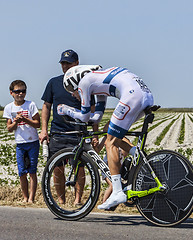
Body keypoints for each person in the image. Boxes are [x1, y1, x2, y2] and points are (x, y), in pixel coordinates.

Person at [57, 65, 153, 209]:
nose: (72, 95)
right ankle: (135, 153)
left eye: (71, 90)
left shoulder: (84, 83)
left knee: (110, 143)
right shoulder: (96, 82)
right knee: (109, 129)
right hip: (144, 95)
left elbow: (84, 117)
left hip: (132, 95)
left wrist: (67, 110)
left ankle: (117, 191)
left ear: (75, 82)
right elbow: (97, 117)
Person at [39, 50, 98, 206]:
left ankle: (78, 200)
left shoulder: (86, 83)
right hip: (58, 132)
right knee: (57, 168)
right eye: (63, 63)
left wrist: (94, 133)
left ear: (76, 63)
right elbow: (46, 106)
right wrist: (44, 130)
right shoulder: (53, 82)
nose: (65, 66)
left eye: (69, 63)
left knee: (79, 168)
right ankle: (61, 199)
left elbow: (93, 110)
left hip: (78, 133)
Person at [3, 80, 40, 203]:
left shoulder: (31, 105)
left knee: (32, 171)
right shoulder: (9, 107)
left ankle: (31, 198)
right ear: (11, 93)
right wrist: (16, 122)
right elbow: (9, 128)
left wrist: (25, 119)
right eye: (17, 91)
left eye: (23, 91)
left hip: (32, 142)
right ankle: (25, 197)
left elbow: (37, 123)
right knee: (22, 172)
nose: (20, 94)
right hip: (20, 143)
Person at [93, 121, 132, 210]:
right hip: (106, 167)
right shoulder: (106, 139)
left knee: (115, 186)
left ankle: (109, 205)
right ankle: (105, 204)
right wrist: (95, 146)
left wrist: (122, 144)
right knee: (112, 186)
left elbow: (126, 152)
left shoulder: (123, 139)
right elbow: (97, 150)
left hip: (117, 169)